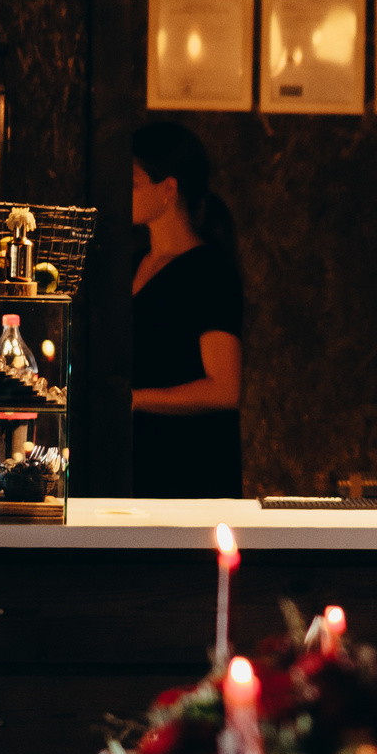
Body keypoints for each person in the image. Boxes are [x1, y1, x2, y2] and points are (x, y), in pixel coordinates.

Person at [129, 121, 244, 497]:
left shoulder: (209, 272)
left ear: (168, 189)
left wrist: (133, 399)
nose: (123, 192)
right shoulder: (131, 264)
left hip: (190, 469)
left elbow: (225, 389)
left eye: (133, 182)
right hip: (136, 462)